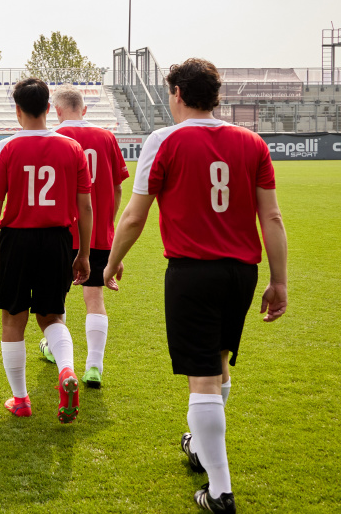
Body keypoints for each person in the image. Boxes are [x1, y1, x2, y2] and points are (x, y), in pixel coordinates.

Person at [103, 58, 288, 513]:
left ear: (179, 94)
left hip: (192, 271)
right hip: (240, 272)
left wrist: (111, 264)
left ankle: (221, 491)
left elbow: (135, 214)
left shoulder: (163, 139)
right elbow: (273, 217)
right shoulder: (252, 142)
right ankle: (200, 446)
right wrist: (278, 281)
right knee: (219, 361)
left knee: (201, 376)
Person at [0, 77, 93, 424]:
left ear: (17, 110)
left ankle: (21, 399)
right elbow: (85, 207)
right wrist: (84, 253)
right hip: (57, 240)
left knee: (13, 318)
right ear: (47, 109)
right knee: (52, 316)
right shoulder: (71, 148)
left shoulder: (7, 148)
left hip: (16, 240)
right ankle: (67, 369)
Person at [45, 85, 129, 389]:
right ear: (84, 109)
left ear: (57, 110)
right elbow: (118, 187)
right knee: (95, 298)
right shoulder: (106, 137)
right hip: (97, 230)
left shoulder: (54, 139)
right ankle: (94, 365)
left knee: (56, 298)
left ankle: (58, 350)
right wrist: (107, 220)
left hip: (60, 230)